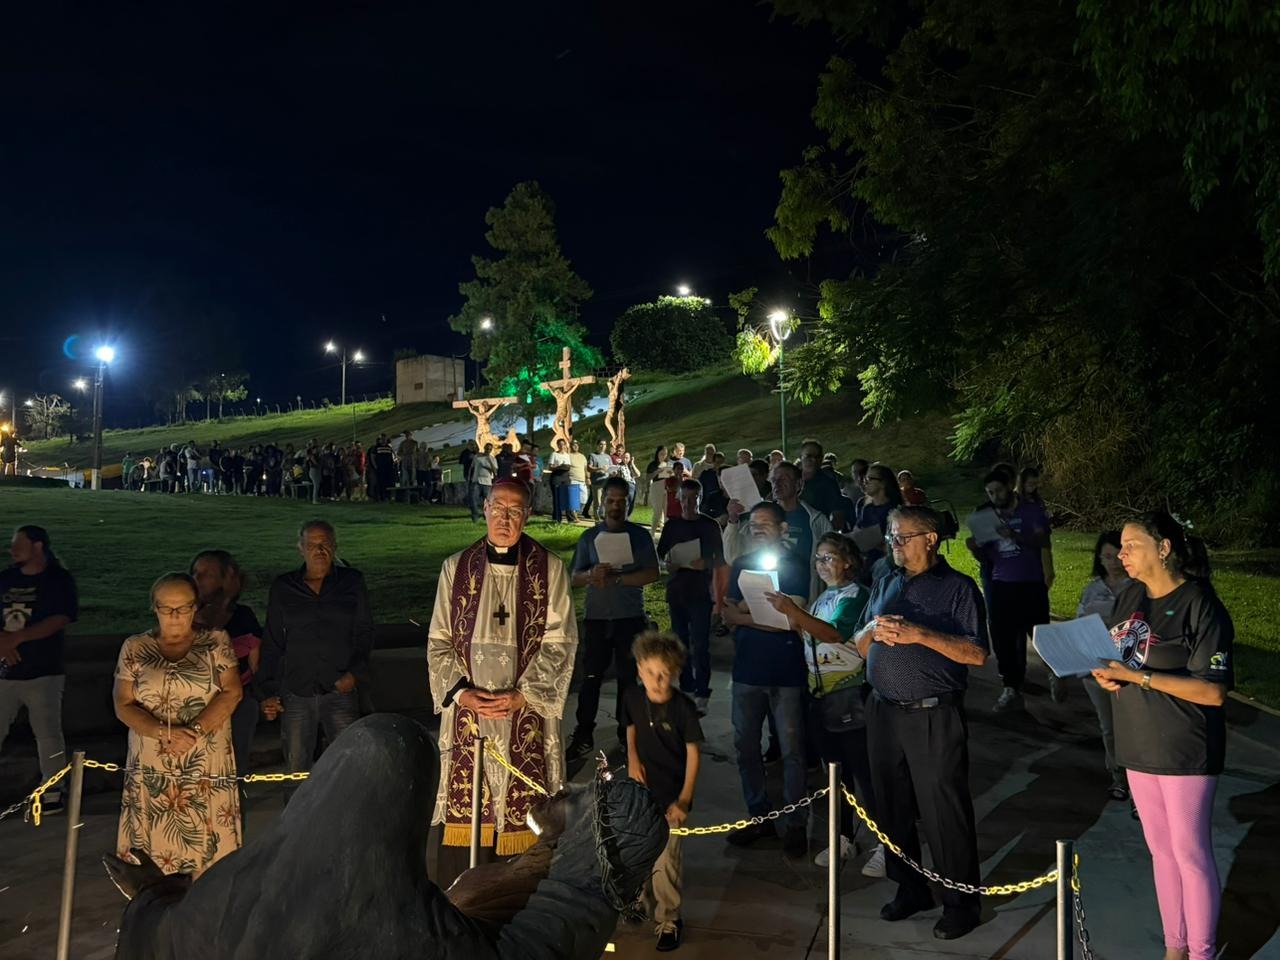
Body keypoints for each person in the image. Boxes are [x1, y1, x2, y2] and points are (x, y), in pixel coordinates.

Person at [1091, 513, 1232, 960]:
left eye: (1132, 545)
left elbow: (1212, 691)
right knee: (1161, 853)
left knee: (1190, 853)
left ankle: (1202, 952)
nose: (1122, 554)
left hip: (1183, 746)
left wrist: (1140, 677)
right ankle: (1175, 947)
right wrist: (1107, 676)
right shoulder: (1129, 596)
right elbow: (1116, 657)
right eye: (1121, 546)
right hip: (1138, 742)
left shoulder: (1200, 604)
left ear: (1164, 548)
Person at [427, 476, 578, 886]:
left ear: (527, 515)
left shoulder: (550, 569)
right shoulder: (456, 568)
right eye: (497, 507)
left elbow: (561, 642)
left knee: (525, 810)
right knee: (467, 805)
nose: (504, 519)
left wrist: (523, 696)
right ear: (485, 507)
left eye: (514, 511)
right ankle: (460, 900)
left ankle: (521, 899)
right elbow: (439, 640)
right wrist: (461, 694)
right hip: (470, 715)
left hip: (523, 712)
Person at [854, 506, 988, 940]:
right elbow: (858, 644)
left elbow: (977, 653)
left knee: (942, 812)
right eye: (890, 536)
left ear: (930, 539)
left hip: (932, 713)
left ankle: (961, 903)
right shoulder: (885, 580)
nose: (893, 544)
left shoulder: (958, 588)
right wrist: (872, 632)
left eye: (902, 536)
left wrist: (920, 635)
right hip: (882, 710)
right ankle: (911, 888)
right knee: (890, 806)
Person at [765, 533, 884, 877]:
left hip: (850, 694)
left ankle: (887, 845)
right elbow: (808, 632)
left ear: (848, 562)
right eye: (818, 558)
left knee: (866, 775)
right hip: (821, 697)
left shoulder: (857, 595)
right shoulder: (821, 599)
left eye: (829, 557)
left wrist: (793, 610)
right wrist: (785, 615)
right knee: (837, 775)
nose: (822, 564)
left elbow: (834, 633)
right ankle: (843, 837)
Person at [113, 572, 242, 876]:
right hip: (153, 763)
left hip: (205, 760)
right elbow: (123, 704)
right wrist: (161, 732)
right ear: (154, 607)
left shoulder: (215, 642)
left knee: (208, 850)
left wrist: (194, 731)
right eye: (166, 608)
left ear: (195, 607)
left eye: (183, 608)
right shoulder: (135, 648)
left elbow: (232, 692)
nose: (174, 616)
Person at [722, 501, 813, 859]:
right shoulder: (742, 564)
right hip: (748, 670)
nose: (758, 529)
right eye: (753, 524)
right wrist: (759, 612)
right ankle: (759, 815)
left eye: (766, 523)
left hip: (786, 671)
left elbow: (792, 620)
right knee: (746, 747)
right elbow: (728, 612)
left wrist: (746, 613)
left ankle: (795, 822)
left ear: (782, 528)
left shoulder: (795, 565)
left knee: (792, 751)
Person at [257, 520, 374, 796]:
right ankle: (296, 822)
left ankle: (346, 818)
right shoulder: (284, 587)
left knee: (349, 764)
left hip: (339, 687)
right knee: (296, 770)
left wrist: (355, 673)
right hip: (297, 690)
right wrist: (266, 690)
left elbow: (365, 631)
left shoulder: (351, 582)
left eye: (325, 545)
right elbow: (273, 640)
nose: (319, 551)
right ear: (300, 548)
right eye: (312, 545)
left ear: (334, 546)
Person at [567, 477, 661, 763]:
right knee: (591, 678)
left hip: (629, 617)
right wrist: (591, 575)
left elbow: (652, 573)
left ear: (628, 503)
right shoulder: (589, 537)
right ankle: (584, 733)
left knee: (628, 679)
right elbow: (574, 576)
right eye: (611, 501)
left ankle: (626, 733)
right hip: (597, 617)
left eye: (621, 501)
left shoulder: (639, 537)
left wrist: (619, 579)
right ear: (603, 502)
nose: (616, 506)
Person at [623, 631, 703, 952]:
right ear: (639, 669)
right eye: (650, 672)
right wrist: (632, 758)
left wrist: (684, 799)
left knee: (666, 861)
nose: (656, 681)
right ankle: (638, 901)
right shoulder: (632, 697)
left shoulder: (683, 708)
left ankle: (669, 918)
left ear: (675, 673)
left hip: (671, 797)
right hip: (639, 794)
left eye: (663, 674)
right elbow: (630, 726)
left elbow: (694, 754)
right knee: (636, 850)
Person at [0, 526, 78, 815]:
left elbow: (61, 617)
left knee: (47, 733)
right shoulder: (5, 579)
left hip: (43, 670)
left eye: (18, 544)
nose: (12, 550)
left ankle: (52, 789)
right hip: (5, 671)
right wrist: (4, 642)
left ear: (38, 546)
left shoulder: (58, 580)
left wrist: (18, 638)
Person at [966, 469, 1051, 711]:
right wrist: (974, 548)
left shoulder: (1030, 510)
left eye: (999, 491)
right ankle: (1011, 686)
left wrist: (1015, 536)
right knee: (1004, 637)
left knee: (1040, 633)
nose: (995, 497)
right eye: (990, 493)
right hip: (1002, 582)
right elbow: (985, 556)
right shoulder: (985, 515)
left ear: (1010, 486)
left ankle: (1056, 673)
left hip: (1031, 581)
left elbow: (1042, 541)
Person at [191, 550, 262, 787]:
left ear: (226, 578)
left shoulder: (243, 617)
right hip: (195, 703)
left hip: (237, 702)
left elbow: (255, 663)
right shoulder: (184, 616)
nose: (198, 579)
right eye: (195, 573)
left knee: (235, 766)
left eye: (207, 574)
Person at [1076, 531, 1134, 805]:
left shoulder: (1138, 587)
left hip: (1129, 668)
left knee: (1133, 727)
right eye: (1107, 557)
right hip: (1097, 668)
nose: (1113, 562)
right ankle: (1118, 777)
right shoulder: (1092, 589)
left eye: (1117, 556)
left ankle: (1140, 783)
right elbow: (1078, 624)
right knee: (1109, 726)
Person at [658, 479, 724, 715]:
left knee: (701, 644)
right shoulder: (672, 526)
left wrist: (706, 563)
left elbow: (720, 559)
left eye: (693, 498)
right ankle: (686, 687)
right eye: (684, 498)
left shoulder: (709, 526)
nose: (688, 503)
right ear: (678, 499)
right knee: (680, 642)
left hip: (700, 592)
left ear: (700, 498)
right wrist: (668, 565)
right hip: (677, 590)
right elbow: (660, 556)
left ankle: (702, 691)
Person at [726, 461, 832, 601]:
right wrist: (733, 520)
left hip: (804, 595)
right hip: (760, 597)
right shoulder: (757, 518)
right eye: (774, 480)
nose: (777, 483)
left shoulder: (816, 520)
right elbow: (732, 557)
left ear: (799, 484)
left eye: (784, 479)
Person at [853, 463, 903, 572]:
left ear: (883, 483)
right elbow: (858, 533)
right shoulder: (866, 509)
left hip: (888, 564)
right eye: (865, 479)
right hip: (866, 562)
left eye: (869, 479)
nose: (865, 482)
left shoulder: (895, 509)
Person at [798, 439, 847, 527]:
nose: (814, 460)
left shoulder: (829, 484)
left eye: (818, 457)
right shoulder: (790, 479)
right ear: (800, 457)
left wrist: (827, 530)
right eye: (809, 456)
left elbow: (838, 515)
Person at [647, 446, 674, 536]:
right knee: (657, 511)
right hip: (656, 487)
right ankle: (652, 533)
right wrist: (657, 471)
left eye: (665, 454)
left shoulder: (668, 464)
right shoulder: (653, 464)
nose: (663, 456)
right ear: (657, 454)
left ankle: (665, 532)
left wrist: (670, 473)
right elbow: (648, 477)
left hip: (667, 487)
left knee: (666, 511)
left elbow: (672, 475)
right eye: (661, 454)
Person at [468, 443, 498, 522]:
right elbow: (472, 468)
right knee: (473, 499)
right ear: (484, 448)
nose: (488, 450)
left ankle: (486, 515)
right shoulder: (477, 457)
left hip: (487, 483)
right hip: (476, 481)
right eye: (487, 448)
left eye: (490, 449)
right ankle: (475, 516)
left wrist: (489, 460)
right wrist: (470, 478)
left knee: (487, 502)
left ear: (491, 450)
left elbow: (495, 471)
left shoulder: (493, 459)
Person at [547, 438, 573, 523]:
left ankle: (570, 517)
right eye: (560, 444)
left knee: (567, 498)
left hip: (565, 477)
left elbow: (568, 466)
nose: (562, 446)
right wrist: (559, 467)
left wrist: (564, 466)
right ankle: (557, 518)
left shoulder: (567, 455)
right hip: (556, 477)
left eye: (563, 444)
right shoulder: (554, 454)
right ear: (558, 445)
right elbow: (550, 467)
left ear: (565, 445)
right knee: (557, 498)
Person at [588, 440, 613, 519]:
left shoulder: (608, 457)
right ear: (597, 445)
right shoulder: (592, 455)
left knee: (606, 501)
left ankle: (606, 518)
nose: (603, 446)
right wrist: (600, 468)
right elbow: (589, 468)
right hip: (597, 483)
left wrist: (613, 472)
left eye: (604, 444)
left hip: (606, 483)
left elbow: (611, 468)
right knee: (598, 502)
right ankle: (597, 518)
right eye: (601, 444)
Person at [567, 439, 589, 522]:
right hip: (572, 480)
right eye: (573, 445)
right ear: (571, 446)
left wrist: (588, 478)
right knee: (573, 500)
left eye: (577, 445)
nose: (575, 446)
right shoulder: (568, 456)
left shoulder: (582, 456)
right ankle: (574, 517)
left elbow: (586, 469)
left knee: (584, 499)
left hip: (582, 481)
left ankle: (574, 512)